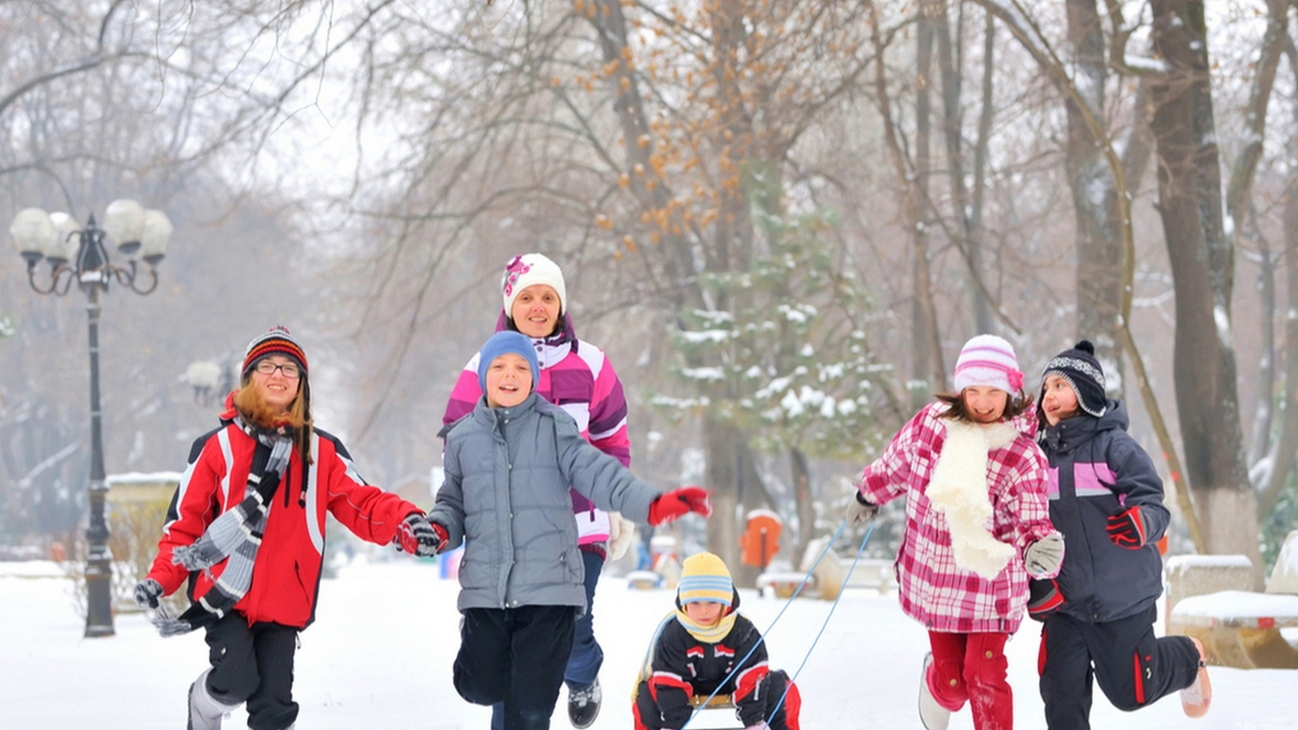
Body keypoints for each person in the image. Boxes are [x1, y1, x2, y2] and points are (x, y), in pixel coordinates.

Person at [133, 326, 441, 730]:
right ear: (248, 378)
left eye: (289, 369)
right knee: (235, 681)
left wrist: (404, 521)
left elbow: (361, 501)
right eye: (267, 366)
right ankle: (203, 703)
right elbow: (184, 526)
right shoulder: (217, 446)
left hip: (285, 602)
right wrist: (161, 579)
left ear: (302, 386)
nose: (278, 375)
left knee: (275, 708)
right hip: (226, 597)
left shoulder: (321, 451)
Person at [429, 330, 712, 730]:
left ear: (533, 378)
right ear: (483, 376)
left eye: (521, 367)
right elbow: (452, 503)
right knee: (480, 686)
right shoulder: (461, 440)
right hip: (487, 592)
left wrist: (651, 503)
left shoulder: (555, 427)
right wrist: (439, 530)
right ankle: (482, 655)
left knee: (529, 710)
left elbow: (599, 473)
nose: (510, 375)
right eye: (499, 366)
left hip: (549, 591)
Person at [442, 251, 637, 728]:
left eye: (547, 297)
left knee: (573, 627)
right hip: (508, 532)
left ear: (561, 304)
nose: (537, 306)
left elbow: (613, 439)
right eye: (526, 296)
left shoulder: (591, 364)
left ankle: (584, 673)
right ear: (510, 303)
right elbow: (458, 437)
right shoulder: (483, 365)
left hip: (577, 525)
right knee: (514, 658)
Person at [845, 334, 1065, 730]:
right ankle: (935, 679)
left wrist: (1037, 545)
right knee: (953, 686)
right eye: (973, 391)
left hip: (991, 586)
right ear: (960, 389)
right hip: (939, 580)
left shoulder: (1021, 453)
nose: (982, 402)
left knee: (985, 677)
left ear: (1010, 391)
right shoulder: (933, 425)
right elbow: (896, 463)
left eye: (993, 392)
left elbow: (1030, 513)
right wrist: (868, 494)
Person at [1031, 340, 1210, 727]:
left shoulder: (1114, 446)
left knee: (1131, 693)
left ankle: (1185, 657)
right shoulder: (1036, 457)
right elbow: (1025, 524)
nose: (1049, 395)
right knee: (1061, 698)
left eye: (1060, 385)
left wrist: (1139, 521)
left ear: (1085, 391)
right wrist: (1036, 583)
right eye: (1045, 388)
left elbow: (1153, 503)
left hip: (1120, 598)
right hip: (1066, 604)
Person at [632, 552, 802, 730]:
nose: (703, 611)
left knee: (781, 686)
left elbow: (753, 675)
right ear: (684, 603)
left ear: (725, 602)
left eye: (712, 602)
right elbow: (669, 680)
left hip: (735, 683)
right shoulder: (674, 634)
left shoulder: (742, 631)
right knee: (646, 691)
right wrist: (673, 724)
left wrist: (754, 722)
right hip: (686, 685)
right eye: (695, 603)